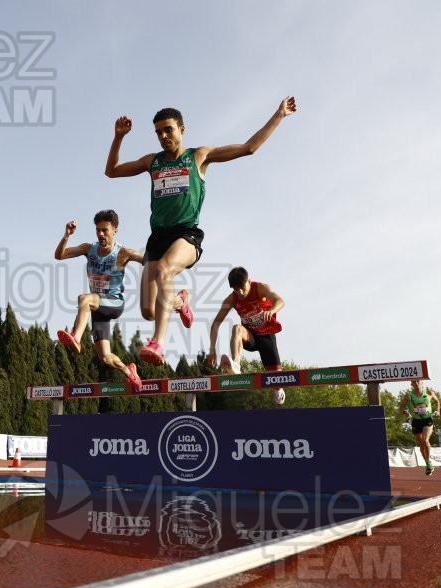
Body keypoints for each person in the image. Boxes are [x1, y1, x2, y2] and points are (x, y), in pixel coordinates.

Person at [105, 97, 296, 367]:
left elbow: (248, 148)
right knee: (148, 310)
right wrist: (118, 137)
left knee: (164, 270)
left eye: (168, 130)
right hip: (157, 238)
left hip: (186, 235)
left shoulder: (199, 156)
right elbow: (111, 171)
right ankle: (181, 300)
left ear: (181, 129)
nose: (162, 136)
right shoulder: (152, 162)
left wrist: (278, 115)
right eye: (158, 132)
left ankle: (158, 343)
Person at [54, 211, 145, 392]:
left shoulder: (123, 253)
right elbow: (59, 256)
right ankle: (130, 372)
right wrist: (67, 235)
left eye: (105, 230)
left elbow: (150, 261)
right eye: (98, 230)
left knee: (84, 299)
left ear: (115, 231)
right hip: (96, 308)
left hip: (113, 303)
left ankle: (76, 338)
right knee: (105, 357)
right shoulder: (89, 249)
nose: (101, 234)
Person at [206, 267, 287, 404]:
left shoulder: (261, 288)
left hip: (267, 337)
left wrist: (272, 310)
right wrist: (212, 350)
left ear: (249, 281)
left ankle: (278, 390)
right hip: (250, 337)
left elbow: (280, 301)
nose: (241, 293)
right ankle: (236, 365)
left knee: (276, 381)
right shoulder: (231, 299)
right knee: (237, 328)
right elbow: (216, 323)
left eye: (242, 288)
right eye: (236, 290)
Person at [398, 379, 441, 476]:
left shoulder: (429, 392)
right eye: (414, 382)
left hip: (427, 419)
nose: (416, 383)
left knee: (425, 440)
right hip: (416, 420)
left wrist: (438, 411)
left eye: (418, 381)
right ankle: (427, 463)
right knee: (421, 443)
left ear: (422, 383)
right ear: (411, 384)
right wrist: (405, 412)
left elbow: (437, 401)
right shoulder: (409, 395)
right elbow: (401, 407)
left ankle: (429, 461)